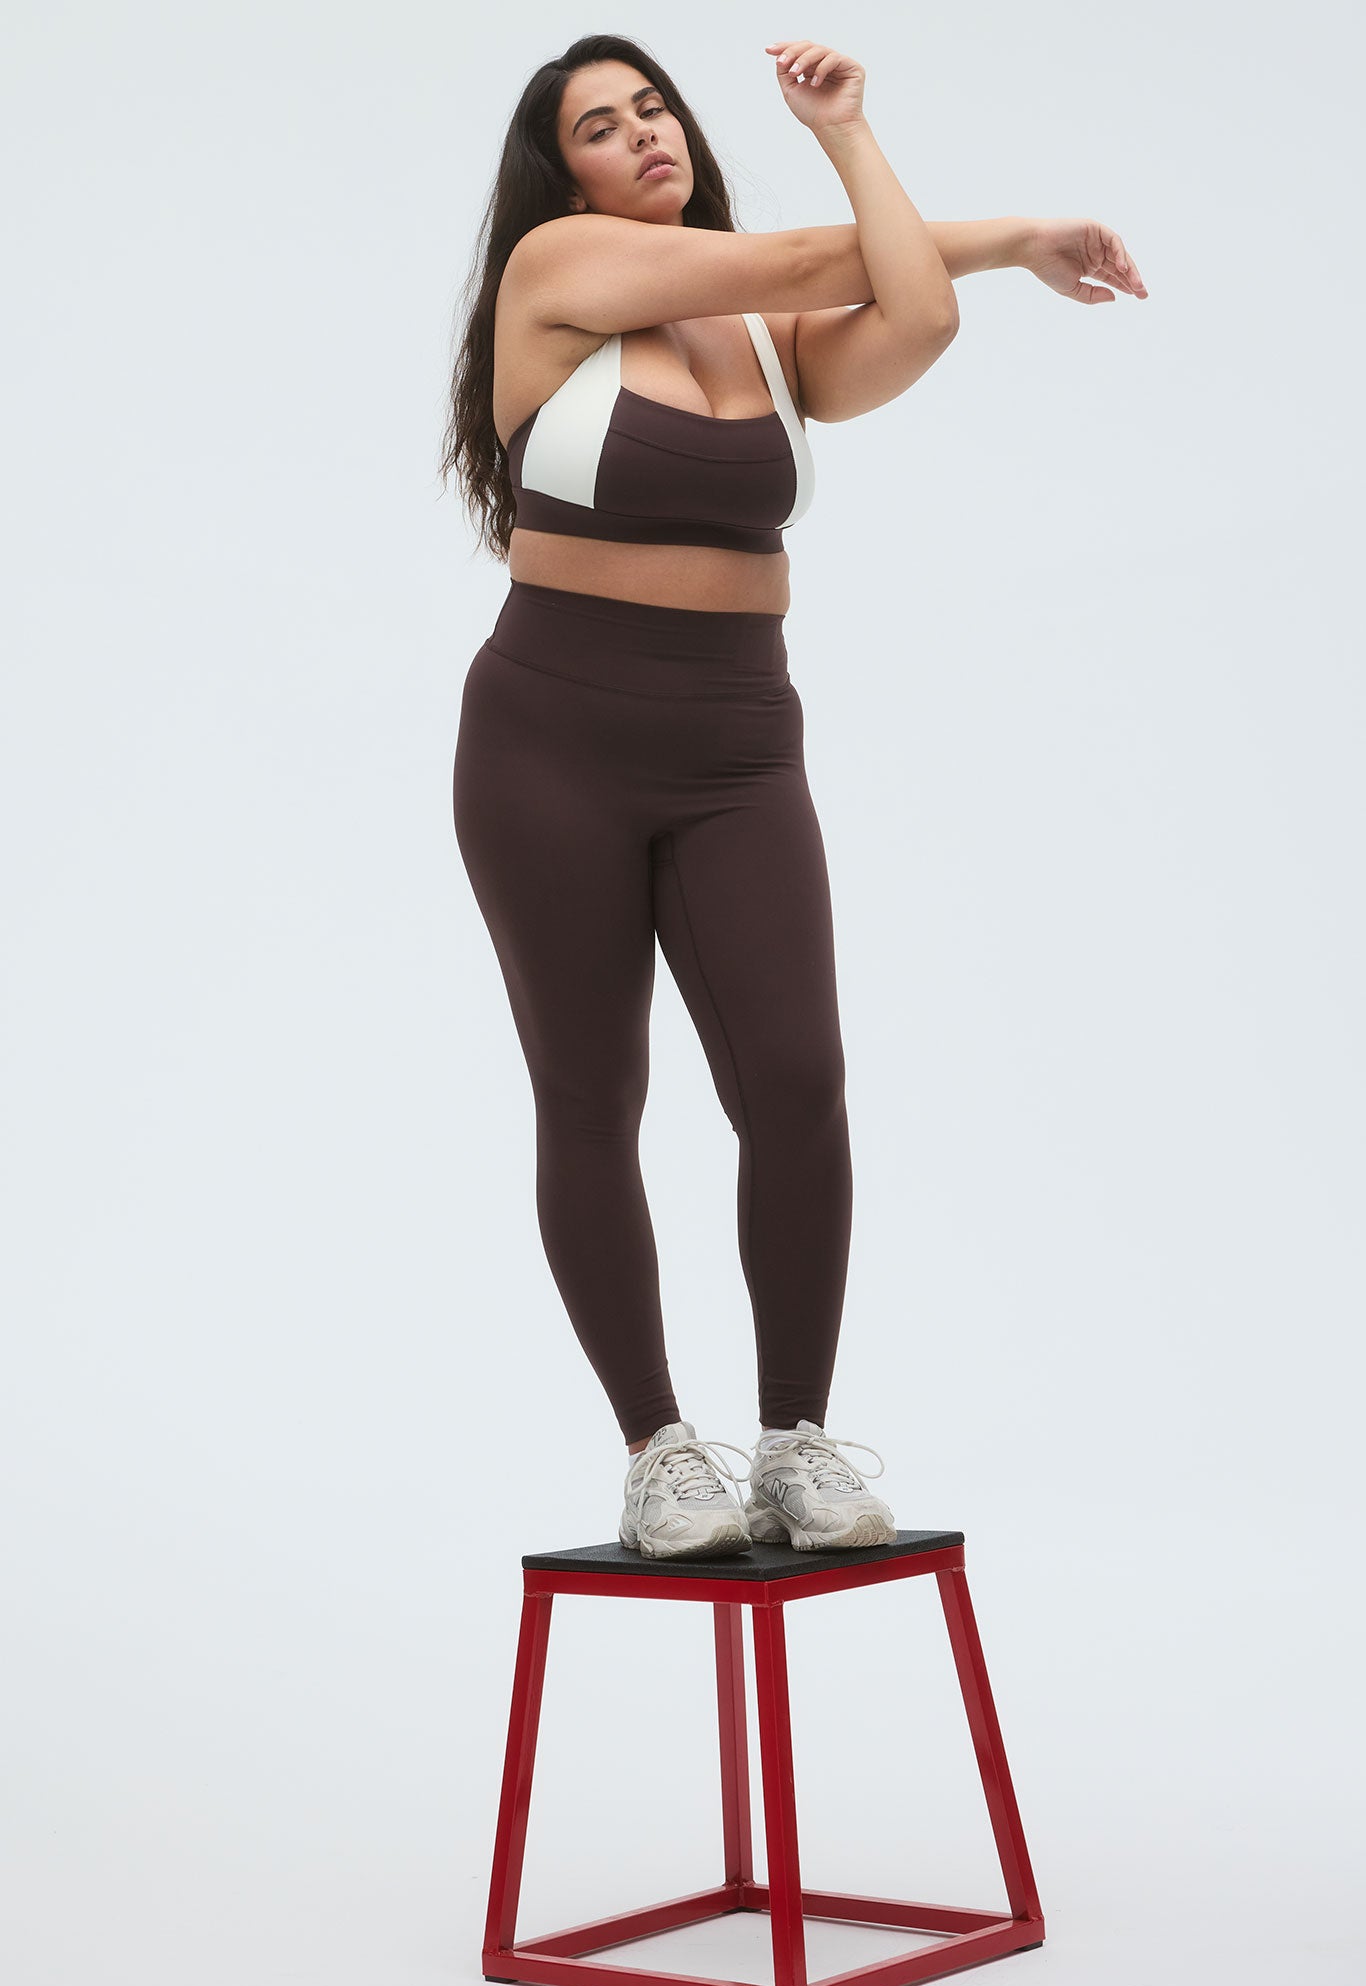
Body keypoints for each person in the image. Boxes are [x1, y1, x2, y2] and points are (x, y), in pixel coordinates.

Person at [440, 34, 1146, 1562]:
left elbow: (911, 307)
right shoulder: (557, 271)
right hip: (548, 738)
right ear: (558, 174)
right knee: (591, 1094)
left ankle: (794, 1440)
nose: (641, 137)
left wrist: (855, 136)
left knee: (799, 1082)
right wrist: (1025, 230)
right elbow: (826, 257)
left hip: (738, 746)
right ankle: (654, 1450)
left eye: (653, 111)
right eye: (600, 125)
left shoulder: (764, 326)